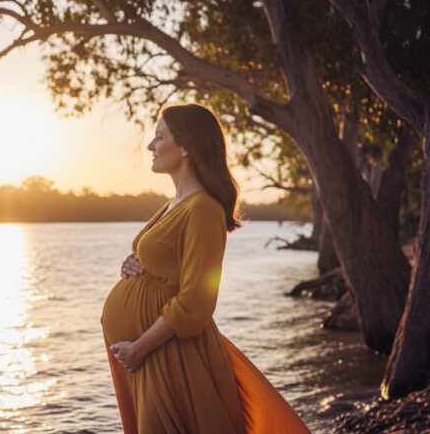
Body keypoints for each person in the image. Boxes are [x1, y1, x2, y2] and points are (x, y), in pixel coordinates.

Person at [100, 103, 310, 433]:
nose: (151, 146)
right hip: (153, 355)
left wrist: (139, 348)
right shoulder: (175, 204)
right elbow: (164, 266)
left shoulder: (203, 209)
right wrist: (132, 264)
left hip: (170, 356)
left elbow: (197, 300)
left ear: (185, 147)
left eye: (159, 136)